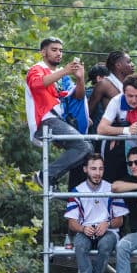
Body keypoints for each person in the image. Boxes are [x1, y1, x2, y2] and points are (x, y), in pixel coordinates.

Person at [24, 37, 93, 188]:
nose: (59, 54)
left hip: (58, 121)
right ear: (43, 52)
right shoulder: (36, 68)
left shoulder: (63, 76)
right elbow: (37, 84)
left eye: (61, 50)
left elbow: (78, 96)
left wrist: (80, 79)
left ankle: (49, 178)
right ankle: (46, 176)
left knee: (88, 149)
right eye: (54, 50)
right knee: (84, 146)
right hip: (45, 120)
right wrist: (64, 71)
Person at [65, 154, 128, 273]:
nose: (97, 173)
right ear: (85, 169)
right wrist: (83, 228)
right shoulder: (77, 191)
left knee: (105, 245)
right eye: (93, 169)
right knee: (79, 246)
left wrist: (107, 224)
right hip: (85, 231)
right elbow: (71, 223)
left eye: (100, 169)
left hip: (108, 231)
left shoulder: (112, 189)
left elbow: (120, 220)